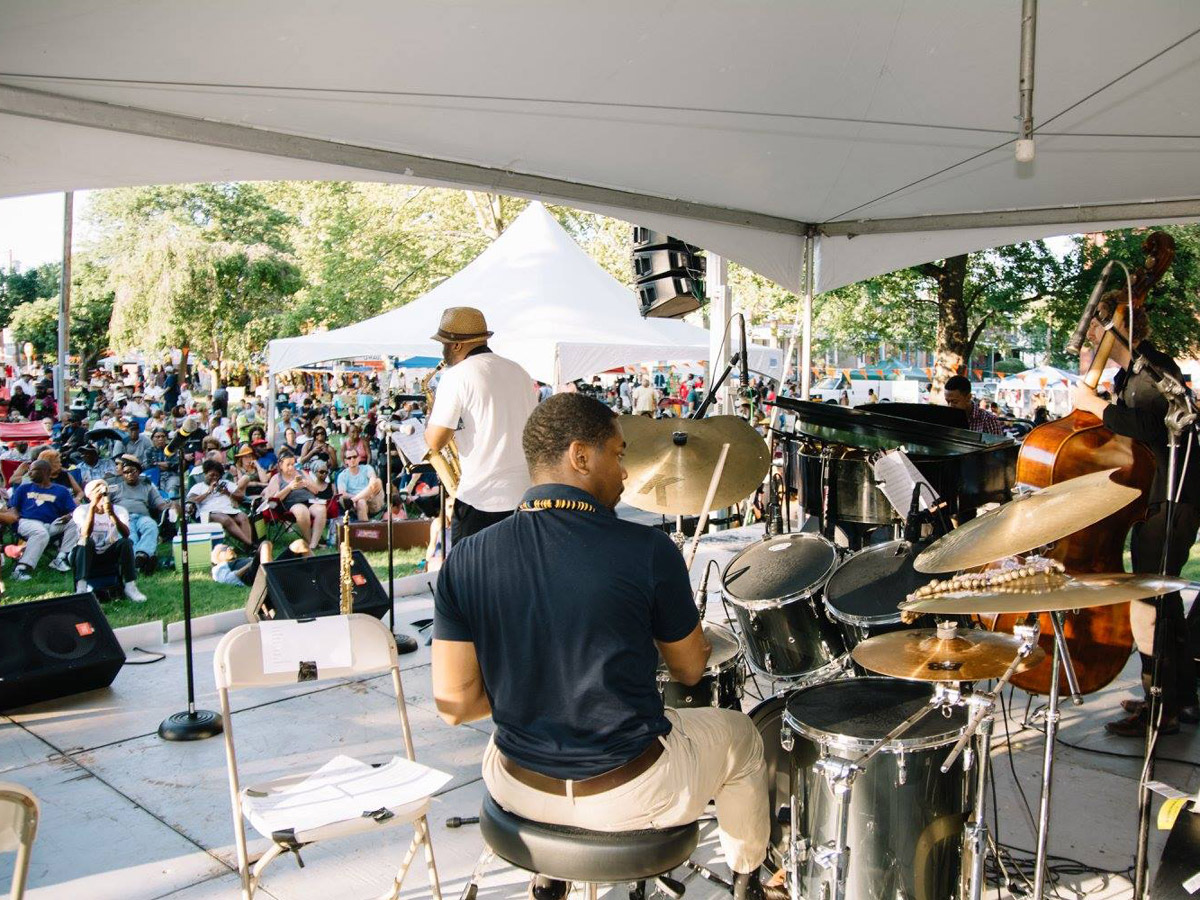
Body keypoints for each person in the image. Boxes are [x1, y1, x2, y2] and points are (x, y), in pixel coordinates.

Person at [432, 393, 779, 900]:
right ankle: (750, 882)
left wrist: (530, 690)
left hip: (515, 787)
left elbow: (456, 705)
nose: (625, 473)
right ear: (579, 456)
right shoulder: (647, 550)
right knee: (742, 735)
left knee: (524, 726)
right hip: (627, 794)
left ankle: (550, 875)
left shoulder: (465, 557)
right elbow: (687, 671)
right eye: (618, 454)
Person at [1073, 298, 1200, 735]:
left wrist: (1096, 408)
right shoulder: (1133, 375)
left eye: (1095, 326)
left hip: (1170, 500)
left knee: (1148, 604)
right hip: (1160, 500)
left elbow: (1151, 430)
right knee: (1162, 601)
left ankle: (1159, 709)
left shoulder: (1151, 370)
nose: (1090, 335)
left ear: (1115, 326)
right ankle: (1176, 698)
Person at [425, 307, 539, 544]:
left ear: (456, 345)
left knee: (468, 576)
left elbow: (435, 442)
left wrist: (431, 418)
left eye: (444, 343)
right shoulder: (519, 371)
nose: (442, 350)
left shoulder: (457, 376)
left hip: (481, 497)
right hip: (524, 495)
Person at [72, 479, 147, 602]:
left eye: (103, 491)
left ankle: (130, 586)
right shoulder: (81, 510)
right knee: (85, 541)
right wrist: (92, 507)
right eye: (97, 491)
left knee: (125, 542)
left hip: (109, 552)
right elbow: (85, 534)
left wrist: (111, 514)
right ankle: (81, 588)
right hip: (86, 554)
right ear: (89, 495)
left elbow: (126, 534)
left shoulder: (119, 510)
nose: (101, 494)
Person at [8, 459, 78, 580]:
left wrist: (69, 516)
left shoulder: (61, 490)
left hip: (51, 524)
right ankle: (21, 569)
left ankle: (61, 558)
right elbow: (13, 507)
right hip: (27, 522)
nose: (29, 473)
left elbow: (73, 510)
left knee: (76, 521)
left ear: (45, 471)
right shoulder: (24, 488)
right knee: (40, 532)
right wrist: (17, 519)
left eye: (32, 470)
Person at [108, 455, 173, 574]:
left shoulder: (147, 486)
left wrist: (171, 506)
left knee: (151, 526)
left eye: (132, 471)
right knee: (130, 535)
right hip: (123, 518)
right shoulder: (115, 487)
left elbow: (160, 504)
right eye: (126, 472)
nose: (129, 474)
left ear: (138, 472)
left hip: (142, 517)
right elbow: (104, 503)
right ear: (122, 474)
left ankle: (141, 555)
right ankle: (144, 560)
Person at [264, 451, 328, 550]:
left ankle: (313, 544)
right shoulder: (277, 478)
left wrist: (306, 484)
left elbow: (316, 491)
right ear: (280, 465)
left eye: (293, 464)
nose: (291, 467)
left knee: (321, 510)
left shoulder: (302, 473)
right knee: (302, 511)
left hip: (310, 500)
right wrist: (289, 487)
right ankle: (309, 541)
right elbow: (273, 500)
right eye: (288, 465)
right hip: (291, 504)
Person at [188, 459, 254, 547]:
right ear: (205, 473)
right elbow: (191, 500)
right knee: (226, 519)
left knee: (243, 517)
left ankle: (248, 546)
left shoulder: (225, 483)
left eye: (217, 476)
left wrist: (227, 492)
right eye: (212, 475)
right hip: (208, 513)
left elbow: (241, 496)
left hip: (228, 510)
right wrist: (208, 492)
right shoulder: (198, 487)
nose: (215, 478)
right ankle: (251, 544)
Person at [336, 446, 384, 521]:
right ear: (346, 461)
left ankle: (355, 499)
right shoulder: (342, 475)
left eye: (354, 457)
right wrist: (360, 497)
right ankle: (365, 531)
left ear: (359, 458)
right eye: (349, 458)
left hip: (373, 500)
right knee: (361, 502)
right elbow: (342, 494)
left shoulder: (367, 468)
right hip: (356, 504)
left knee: (378, 481)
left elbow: (373, 482)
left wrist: (356, 498)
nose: (352, 460)